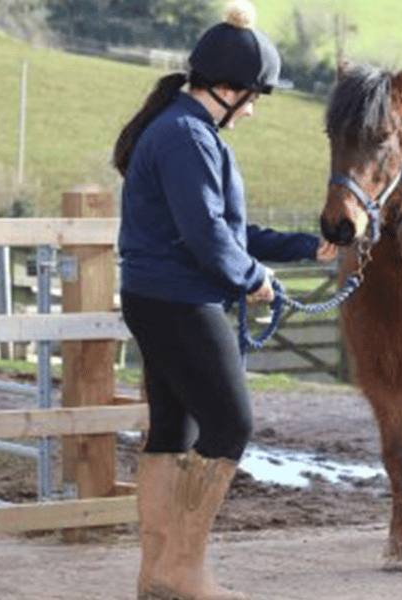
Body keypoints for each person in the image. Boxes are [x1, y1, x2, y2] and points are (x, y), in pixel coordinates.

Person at [112, 2, 337, 599]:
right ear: (229, 89)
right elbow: (207, 237)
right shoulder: (188, 137)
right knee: (231, 424)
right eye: (255, 96)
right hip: (182, 302)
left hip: (154, 297)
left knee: (172, 430)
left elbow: (224, 229)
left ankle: (157, 576)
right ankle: (183, 572)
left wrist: (302, 247)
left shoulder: (180, 129)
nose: (254, 110)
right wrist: (253, 278)